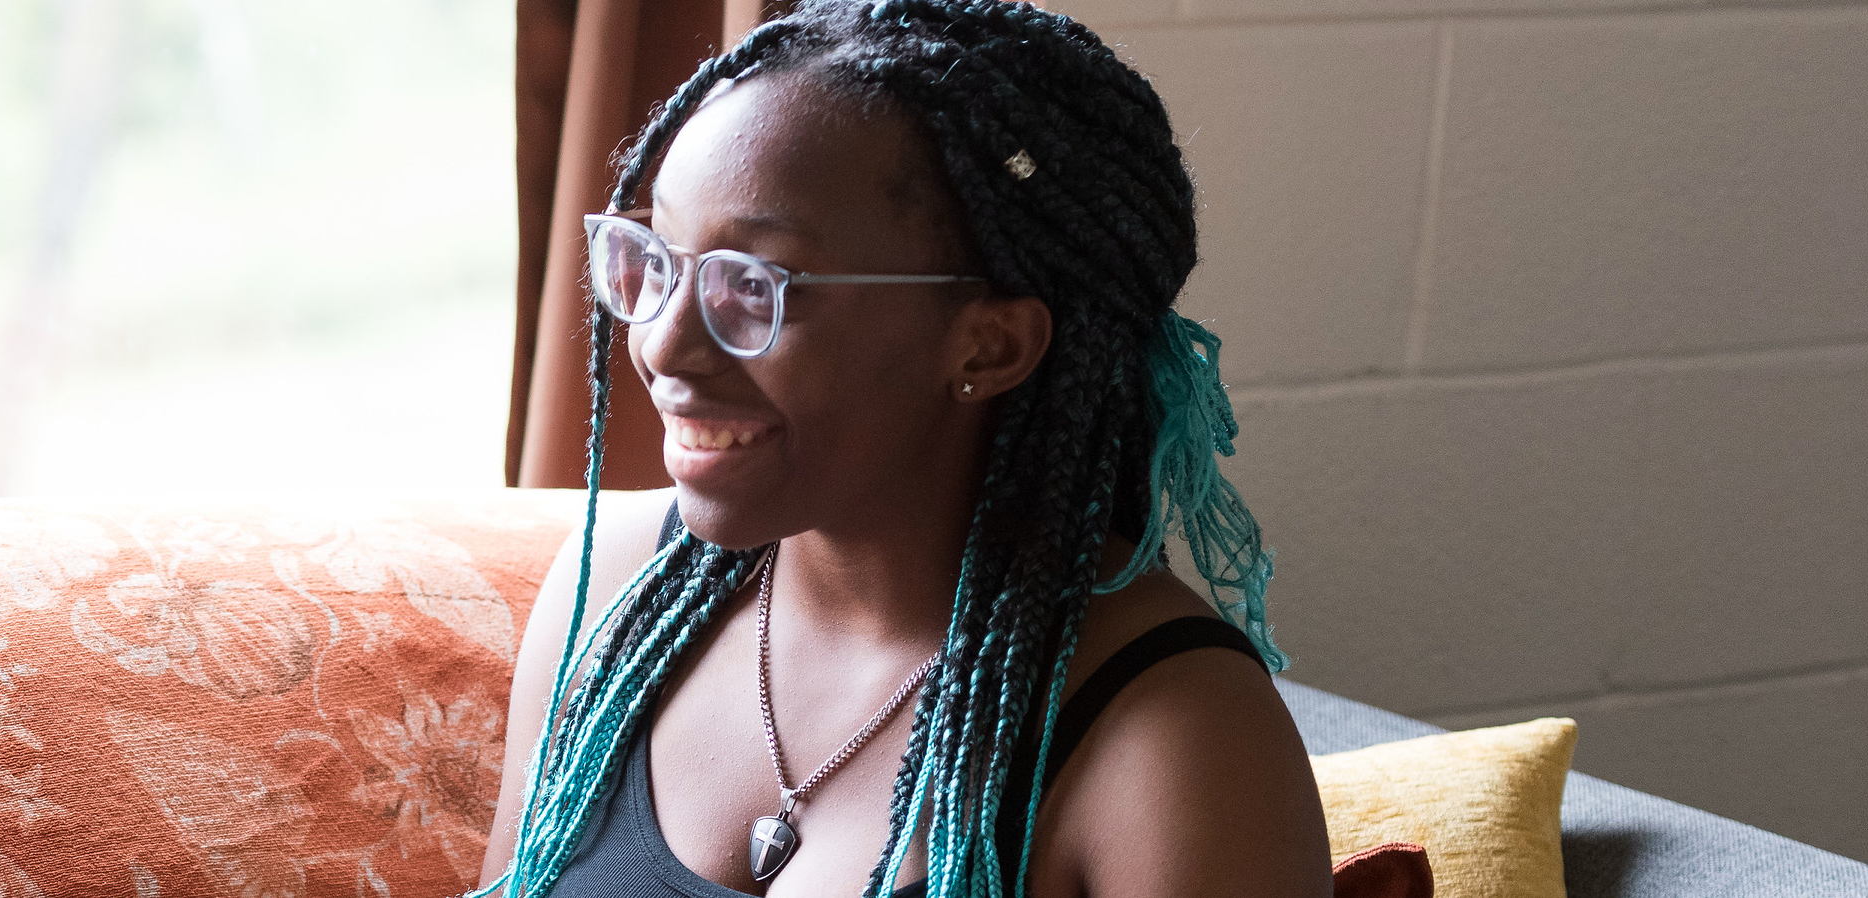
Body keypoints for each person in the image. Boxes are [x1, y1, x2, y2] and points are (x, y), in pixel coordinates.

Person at [475, 3, 1331, 896]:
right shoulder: (618, 591)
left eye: (756, 284)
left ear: (988, 346)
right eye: (656, 259)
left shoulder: (1175, 736)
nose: (663, 346)